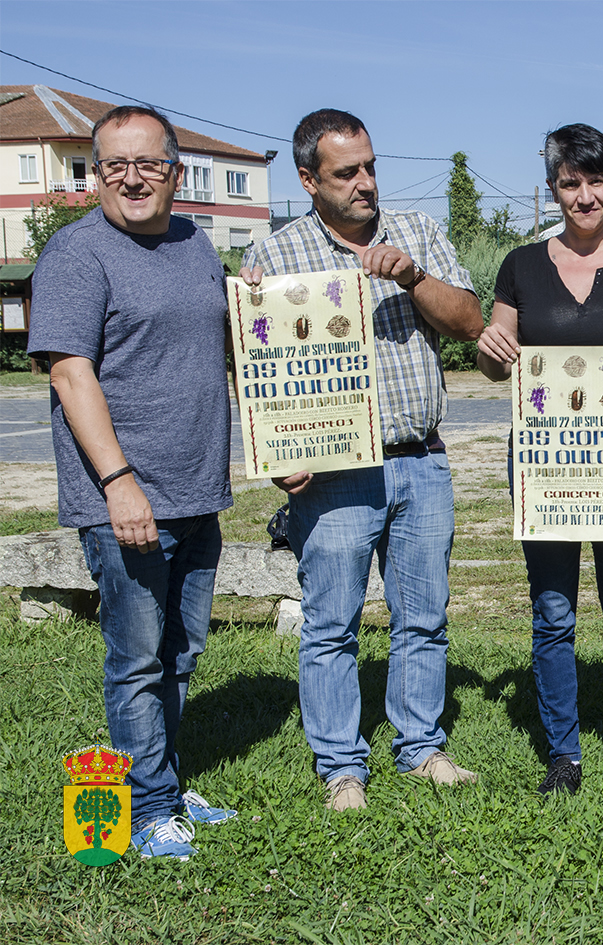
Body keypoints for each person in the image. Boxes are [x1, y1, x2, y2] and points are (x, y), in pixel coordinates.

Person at [242, 109, 483, 811]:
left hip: (420, 458)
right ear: (308, 180)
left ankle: (420, 748)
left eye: (371, 167)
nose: (365, 183)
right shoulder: (277, 256)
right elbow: (251, 362)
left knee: (423, 617)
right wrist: (276, 453)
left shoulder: (416, 234)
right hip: (335, 472)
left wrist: (411, 277)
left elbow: (470, 321)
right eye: (346, 172)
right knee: (331, 623)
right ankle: (342, 766)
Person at [29, 105, 237, 859]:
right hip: (126, 496)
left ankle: (164, 784)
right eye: (113, 165)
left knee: (180, 653)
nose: (131, 178)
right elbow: (68, 369)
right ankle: (147, 812)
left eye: (147, 163)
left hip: (196, 489)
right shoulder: (78, 254)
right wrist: (118, 481)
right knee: (136, 657)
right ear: (96, 174)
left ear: (176, 172)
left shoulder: (194, 243)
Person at [477, 124, 603, 795]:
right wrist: (490, 349)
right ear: (553, 188)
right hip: (545, 462)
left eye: (595, 182)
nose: (584, 196)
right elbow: (492, 357)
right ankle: (564, 754)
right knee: (553, 611)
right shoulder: (520, 265)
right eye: (570, 182)